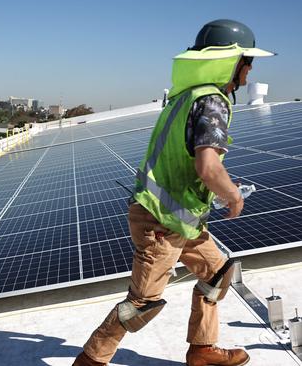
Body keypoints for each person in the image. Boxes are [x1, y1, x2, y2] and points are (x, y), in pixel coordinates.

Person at [73, 19, 275, 366]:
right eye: (247, 60)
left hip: (179, 219)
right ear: (231, 62)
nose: (251, 69)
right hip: (162, 223)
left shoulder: (186, 97)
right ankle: (90, 361)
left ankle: (202, 350)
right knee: (140, 305)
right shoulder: (212, 102)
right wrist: (233, 195)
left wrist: (219, 186)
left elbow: (189, 162)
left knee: (217, 274)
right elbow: (207, 167)